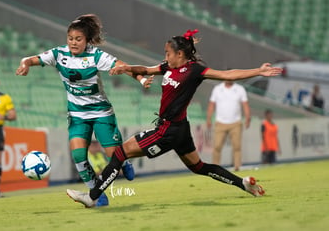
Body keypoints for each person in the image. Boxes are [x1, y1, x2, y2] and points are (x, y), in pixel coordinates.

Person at [66, 29, 283, 208]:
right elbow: (147, 69)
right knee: (199, 167)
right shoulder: (169, 66)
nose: (166, 57)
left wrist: (258, 71)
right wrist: (126, 68)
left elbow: (228, 75)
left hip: (167, 131)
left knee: (121, 152)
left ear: (180, 54)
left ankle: (92, 197)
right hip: (179, 130)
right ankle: (244, 184)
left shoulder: (195, 70)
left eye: (168, 53)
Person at [16, 14, 152, 207]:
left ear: (87, 40)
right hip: (77, 115)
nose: (73, 42)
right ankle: (97, 195)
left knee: (113, 154)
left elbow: (123, 66)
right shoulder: (58, 54)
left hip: (101, 112)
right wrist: (25, 65)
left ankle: (125, 162)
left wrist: (141, 79)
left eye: (78, 39)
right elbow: (31, 59)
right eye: (70, 38)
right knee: (79, 155)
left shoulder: (96, 56)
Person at [206, 79, 251, 171]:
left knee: (237, 146)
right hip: (220, 122)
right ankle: (216, 167)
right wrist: (209, 118)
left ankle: (237, 166)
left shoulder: (239, 89)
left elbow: (245, 104)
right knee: (217, 146)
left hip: (235, 122)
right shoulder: (217, 89)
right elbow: (212, 104)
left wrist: (247, 117)